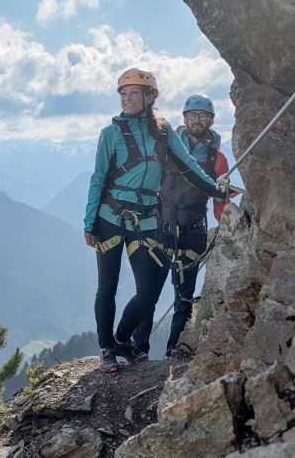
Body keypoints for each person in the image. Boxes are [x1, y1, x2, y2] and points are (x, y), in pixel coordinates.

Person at [83, 69, 226, 373]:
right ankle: (107, 348)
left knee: (149, 290)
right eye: (123, 93)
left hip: (147, 220)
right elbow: (98, 177)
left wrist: (214, 189)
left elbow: (187, 167)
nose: (127, 98)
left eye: (135, 92)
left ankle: (122, 338)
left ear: (150, 97)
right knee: (106, 286)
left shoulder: (162, 132)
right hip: (110, 217)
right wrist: (89, 221)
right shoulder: (110, 134)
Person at [133, 94, 230, 357]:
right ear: (185, 119)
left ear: (210, 121)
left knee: (184, 294)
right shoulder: (166, 147)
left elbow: (221, 198)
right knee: (149, 288)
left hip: (194, 229)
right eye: (192, 115)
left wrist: (223, 227)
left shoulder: (218, 159)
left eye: (202, 116)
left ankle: (174, 349)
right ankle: (138, 347)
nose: (197, 120)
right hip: (162, 224)